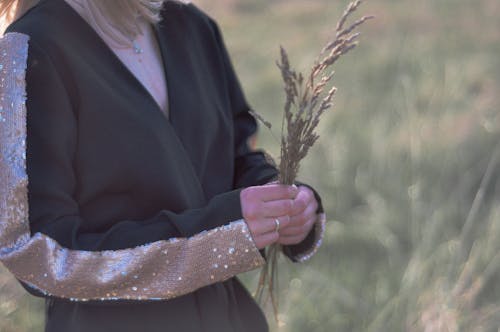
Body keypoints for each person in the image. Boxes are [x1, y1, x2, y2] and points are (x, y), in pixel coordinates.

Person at [0, 0, 325, 331]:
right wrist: (220, 234)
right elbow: (38, 255)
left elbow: (235, 156)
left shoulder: (192, 26)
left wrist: (282, 201)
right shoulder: (31, 49)